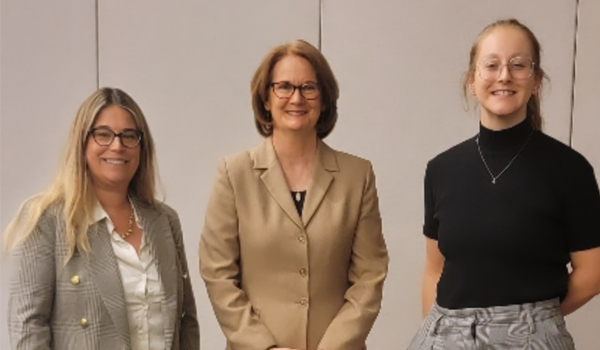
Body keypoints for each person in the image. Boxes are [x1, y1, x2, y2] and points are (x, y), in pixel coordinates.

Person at [408, 19, 600, 350]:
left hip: (533, 336)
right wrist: (441, 330)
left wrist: (535, 320)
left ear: (536, 80)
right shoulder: (441, 169)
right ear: (472, 80)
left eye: (518, 65)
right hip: (445, 336)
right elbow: (434, 269)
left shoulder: (569, 169)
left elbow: (593, 271)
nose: (504, 76)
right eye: (491, 65)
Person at [199, 39, 389, 350]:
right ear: (265, 98)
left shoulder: (358, 176)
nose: (296, 98)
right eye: (284, 87)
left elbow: (370, 277)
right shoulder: (234, 174)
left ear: (325, 99)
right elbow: (217, 274)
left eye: (308, 88)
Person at [5, 87, 199, 350]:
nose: (117, 146)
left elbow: (185, 321)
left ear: (143, 147)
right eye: (103, 135)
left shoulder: (164, 220)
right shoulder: (46, 220)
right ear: (82, 142)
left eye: (129, 136)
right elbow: (28, 328)